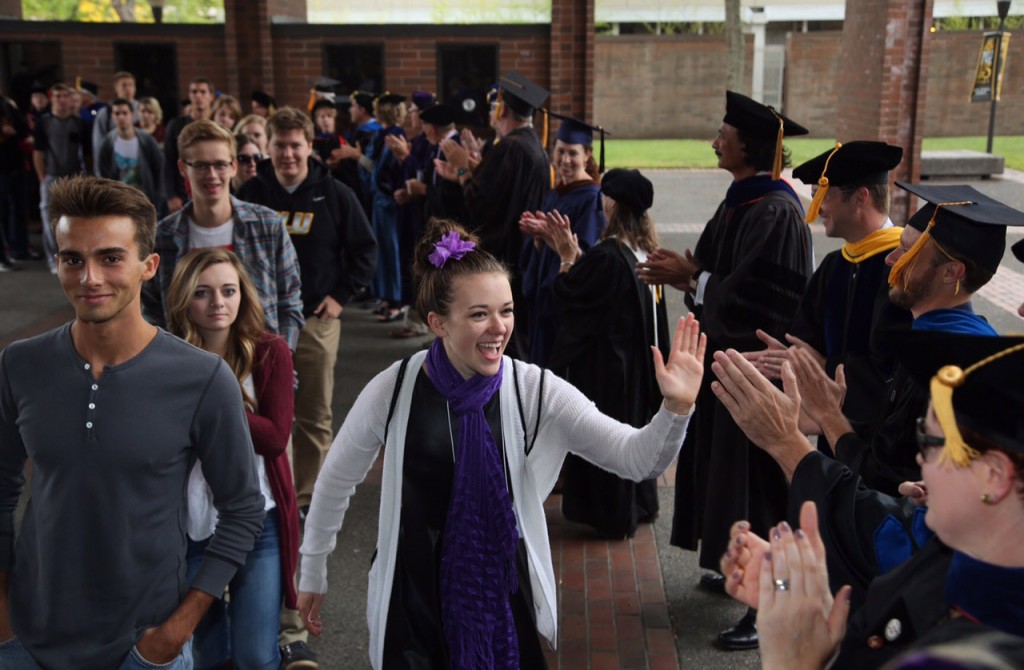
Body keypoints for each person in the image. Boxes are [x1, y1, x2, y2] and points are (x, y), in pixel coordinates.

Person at [295, 221, 705, 669]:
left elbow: (638, 460)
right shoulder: (393, 390)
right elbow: (335, 480)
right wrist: (312, 571)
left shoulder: (536, 391)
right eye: (478, 314)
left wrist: (675, 409)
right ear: (437, 323)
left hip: (503, 601)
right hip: (411, 605)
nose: (498, 328)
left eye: (506, 310)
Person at [0, 175, 265, 669]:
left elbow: (244, 509)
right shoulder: (20, 364)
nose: (90, 278)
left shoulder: (203, 378)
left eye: (110, 258)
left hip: (143, 649)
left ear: (149, 266)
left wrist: (175, 632)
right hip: (25, 643)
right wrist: (2, 619)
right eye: (71, 259)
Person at [719, 330, 1024, 669]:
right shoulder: (961, 565)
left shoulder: (981, 655)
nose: (920, 462)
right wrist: (802, 597)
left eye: (930, 443)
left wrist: (795, 660)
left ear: (995, 476)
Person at [645, 90, 813, 649]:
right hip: (729, 366)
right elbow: (710, 269)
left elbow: (758, 304)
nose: (714, 141)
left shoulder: (778, 213)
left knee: (760, 490)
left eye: (724, 134)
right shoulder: (743, 200)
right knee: (727, 480)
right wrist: (687, 272)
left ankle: (769, 607)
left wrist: (690, 280)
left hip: (758, 374)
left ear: (751, 145)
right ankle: (739, 569)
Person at [238, 106, 376, 669]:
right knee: (264, 420)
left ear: (308, 145)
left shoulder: (332, 192)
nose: (289, 154)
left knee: (313, 416)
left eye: (297, 145)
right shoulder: (251, 191)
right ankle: (269, 489)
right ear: (267, 146)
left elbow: (364, 251)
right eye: (280, 145)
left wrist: (341, 296)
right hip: (255, 325)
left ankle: (306, 495)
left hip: (317, 321)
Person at [794, 183, 1012, 497]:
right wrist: (826, 413)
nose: (890, 258)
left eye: (907, 250)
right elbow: (893, 443)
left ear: (952, 272)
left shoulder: (950, 365)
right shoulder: (933, 337)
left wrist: (828, 421)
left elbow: (895, 484)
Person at [166, 247, 300, 670]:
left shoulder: (270, 351)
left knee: (257, 656)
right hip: (188, 523)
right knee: (205, 651)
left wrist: (209, 410)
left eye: (229, 290)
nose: (218, 303)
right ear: (184, 299)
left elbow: (275, 437)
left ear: (244, 294)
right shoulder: (166, 356)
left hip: (258, 519)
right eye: (203, 293)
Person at [745, 141, 910, 438]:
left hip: (882, 445)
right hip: (832, 436)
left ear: (861, 198)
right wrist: (791, 362)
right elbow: (805, 341)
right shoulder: (836, 265)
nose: (816, 207)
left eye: (824, 195)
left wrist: (821, 365)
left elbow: (891, 372)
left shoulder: (901, 270)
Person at [540, 168, 668, 538]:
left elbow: (573, 299)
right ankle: (639, 504)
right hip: (636, 366)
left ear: (609, 202)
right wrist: (579, 255)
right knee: (633, 436)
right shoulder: (641, 251)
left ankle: (612, 515)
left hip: (608, 371)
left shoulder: (611, 256)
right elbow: (602, 290)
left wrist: (566, 257)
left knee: (609, 441)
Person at [142, 119, 304, 351]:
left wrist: (280, 359)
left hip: (258, 365)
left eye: (220, 164)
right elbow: (150, 310)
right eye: (200, 165)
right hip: (186, 369)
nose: (212, 175)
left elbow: (289, 302)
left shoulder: (268, 226)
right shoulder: (162, 237)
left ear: (233, 166)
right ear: (182, 168)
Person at [436, 72, 551, 301]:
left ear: (504, 110)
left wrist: (461, 169)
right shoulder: (532, 143)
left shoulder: (510, 147)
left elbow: (481, 205)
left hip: (505, 256)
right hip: (525, 251)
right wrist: (476, 168)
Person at [518, 116, 606, 366]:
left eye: (573, 153)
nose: (565, 160)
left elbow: (585, 259)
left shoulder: (592, 199)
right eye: (560, 151)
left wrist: (549, 236)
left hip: (563, 304)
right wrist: (537, 240)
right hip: (544, 296)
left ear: (587, 156)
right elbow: (542, 249)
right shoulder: (556, 192)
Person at [33, 82, 91, 272]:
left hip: (74, 176)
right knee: (49, 216)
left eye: (64, 96)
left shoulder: (80, 123)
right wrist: (43, 178)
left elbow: (88, 152)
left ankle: (73, 254)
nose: (61, 100)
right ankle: (53, 259)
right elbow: (38, 152)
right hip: (51, 175)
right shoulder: (44, 122)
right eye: (57, 96)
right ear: (52, 99)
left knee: (75, 217)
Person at [96, 97, 164, 211]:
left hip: (146, 200)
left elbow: (159, 169)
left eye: (124, 113)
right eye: (117, 113)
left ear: (132, 115)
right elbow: (102, 176)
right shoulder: (106, 144)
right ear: (112, 117)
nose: (121, 117)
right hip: (118, 203)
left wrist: (159, 199)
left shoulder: (147, 140)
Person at [165, 77, 216, 213]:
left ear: (211, 96)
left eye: (202, 92)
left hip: (212, 186)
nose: (198, 96)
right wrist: (171, 195)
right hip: (182, 192)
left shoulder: (218, 126)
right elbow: (168, 161)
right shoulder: (176, 125)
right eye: (194, 92)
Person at [91, 71, 137, 154]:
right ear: (116, 88)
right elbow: (98, 144)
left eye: (131, 85)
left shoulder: (142, 110)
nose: (128, 89)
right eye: (124, 85)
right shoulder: (105, 113)